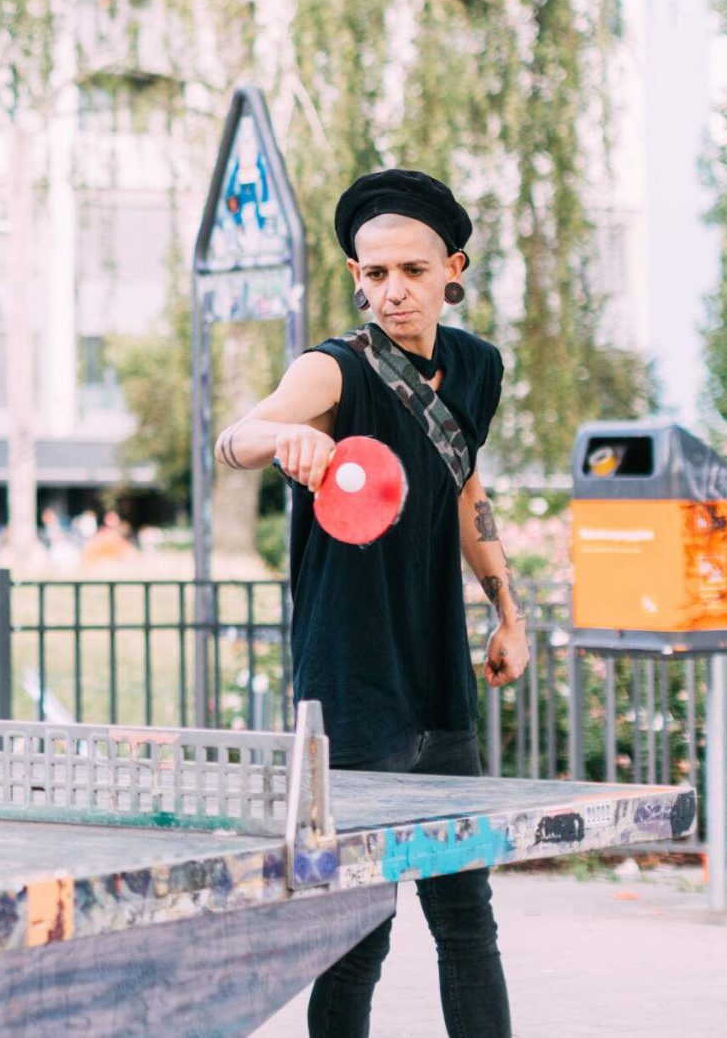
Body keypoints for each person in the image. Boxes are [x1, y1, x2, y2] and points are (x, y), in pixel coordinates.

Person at [215, 167, 528, 1038]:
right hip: (352, 679)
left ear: (451, 268)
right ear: (357, 275)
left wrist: (509, 609)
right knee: (360, 929)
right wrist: (281, 435)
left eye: (413, 271)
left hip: (438, 678)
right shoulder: (330, 369)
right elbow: (234, 436)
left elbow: (465, 491)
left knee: (466, 918)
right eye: (375, 272)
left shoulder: (476, 368)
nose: (393, 289)